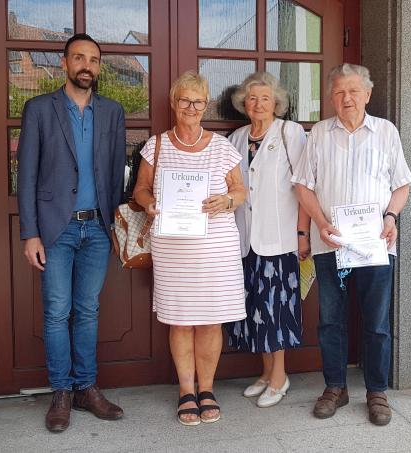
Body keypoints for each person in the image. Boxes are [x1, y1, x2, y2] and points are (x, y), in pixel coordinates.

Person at [292, 63, 411, 426]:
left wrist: (391, 216)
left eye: (353, 91)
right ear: (331, 96)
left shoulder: (386, 132)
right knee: (331, 321)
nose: (347, 98)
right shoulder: (318, 135)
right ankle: (335, 387)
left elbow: (402, 184)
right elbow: (303, 185)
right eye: (340, 92)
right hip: (331, 244)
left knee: (376, 322)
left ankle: (377, 390)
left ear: (367, 94)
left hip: (376, 245)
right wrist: (320, 222)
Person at [17, 33, 127, 433]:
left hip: (97, 228)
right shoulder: (39, 109)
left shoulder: (112, 112)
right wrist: (30, 233)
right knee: (57, 311)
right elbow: (26, 175)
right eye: (79, 58)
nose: (87, 66)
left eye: (94, 60)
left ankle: (86, 387)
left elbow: (116, 172)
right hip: (55, 229)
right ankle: (61, 392)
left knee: (88, 310)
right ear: (64, 63)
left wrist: (113, 224)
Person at [132, 71, 247, 426]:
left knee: (210, 321)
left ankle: (207, 388)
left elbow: (241, 193)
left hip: (215, 249)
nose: (191, 107)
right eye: (185, 100)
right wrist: (149, 203)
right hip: (173, 247)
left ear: (206, 105)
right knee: (181, 321)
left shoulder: (221, 146)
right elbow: (139, 190)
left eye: (198, 102)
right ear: (173, 103)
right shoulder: (157, 145)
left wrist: (226, 201)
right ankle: (186, 391)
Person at [226, 72, 311, 408]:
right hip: (244, 239)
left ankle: (280, 377)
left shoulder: (290, 133)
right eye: (251, 98)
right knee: (253, 310)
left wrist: (303, 233)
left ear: (276, 103)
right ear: (243, 104)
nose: (257, 104)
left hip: (279, 239)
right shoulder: (235, 138)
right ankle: (264, 373)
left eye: (264, 98)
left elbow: (305, 186)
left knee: (276, 309)